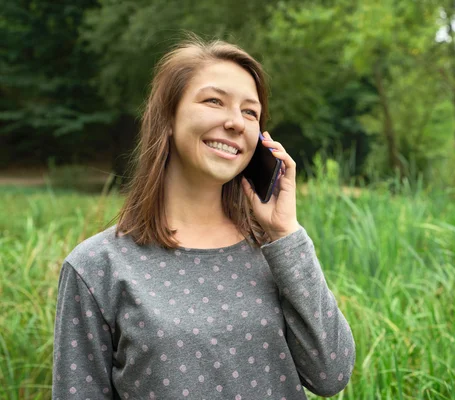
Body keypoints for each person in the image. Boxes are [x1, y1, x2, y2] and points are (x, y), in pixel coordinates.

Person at [52, 33, 355, 400]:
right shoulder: (96, 267)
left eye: (250, 112)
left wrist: (285, 233)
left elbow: (331, 374)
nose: (235, 122)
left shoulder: (275, 251)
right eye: (214, 101)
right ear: (167, 117)